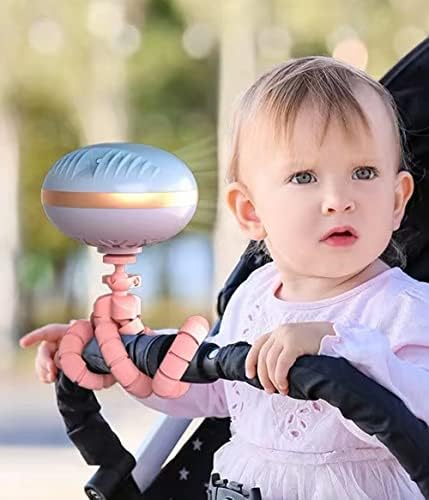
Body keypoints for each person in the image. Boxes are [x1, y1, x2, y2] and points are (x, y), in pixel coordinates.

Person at [21, 56, 429, 499]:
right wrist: (121, 355)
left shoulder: (404, 309)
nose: (337, 199)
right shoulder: (255, 295)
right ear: (250, 212)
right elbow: (211, 390)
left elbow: (420, 411)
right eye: (304, 176)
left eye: (363, 173)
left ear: (396, 200)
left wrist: (336, 344)